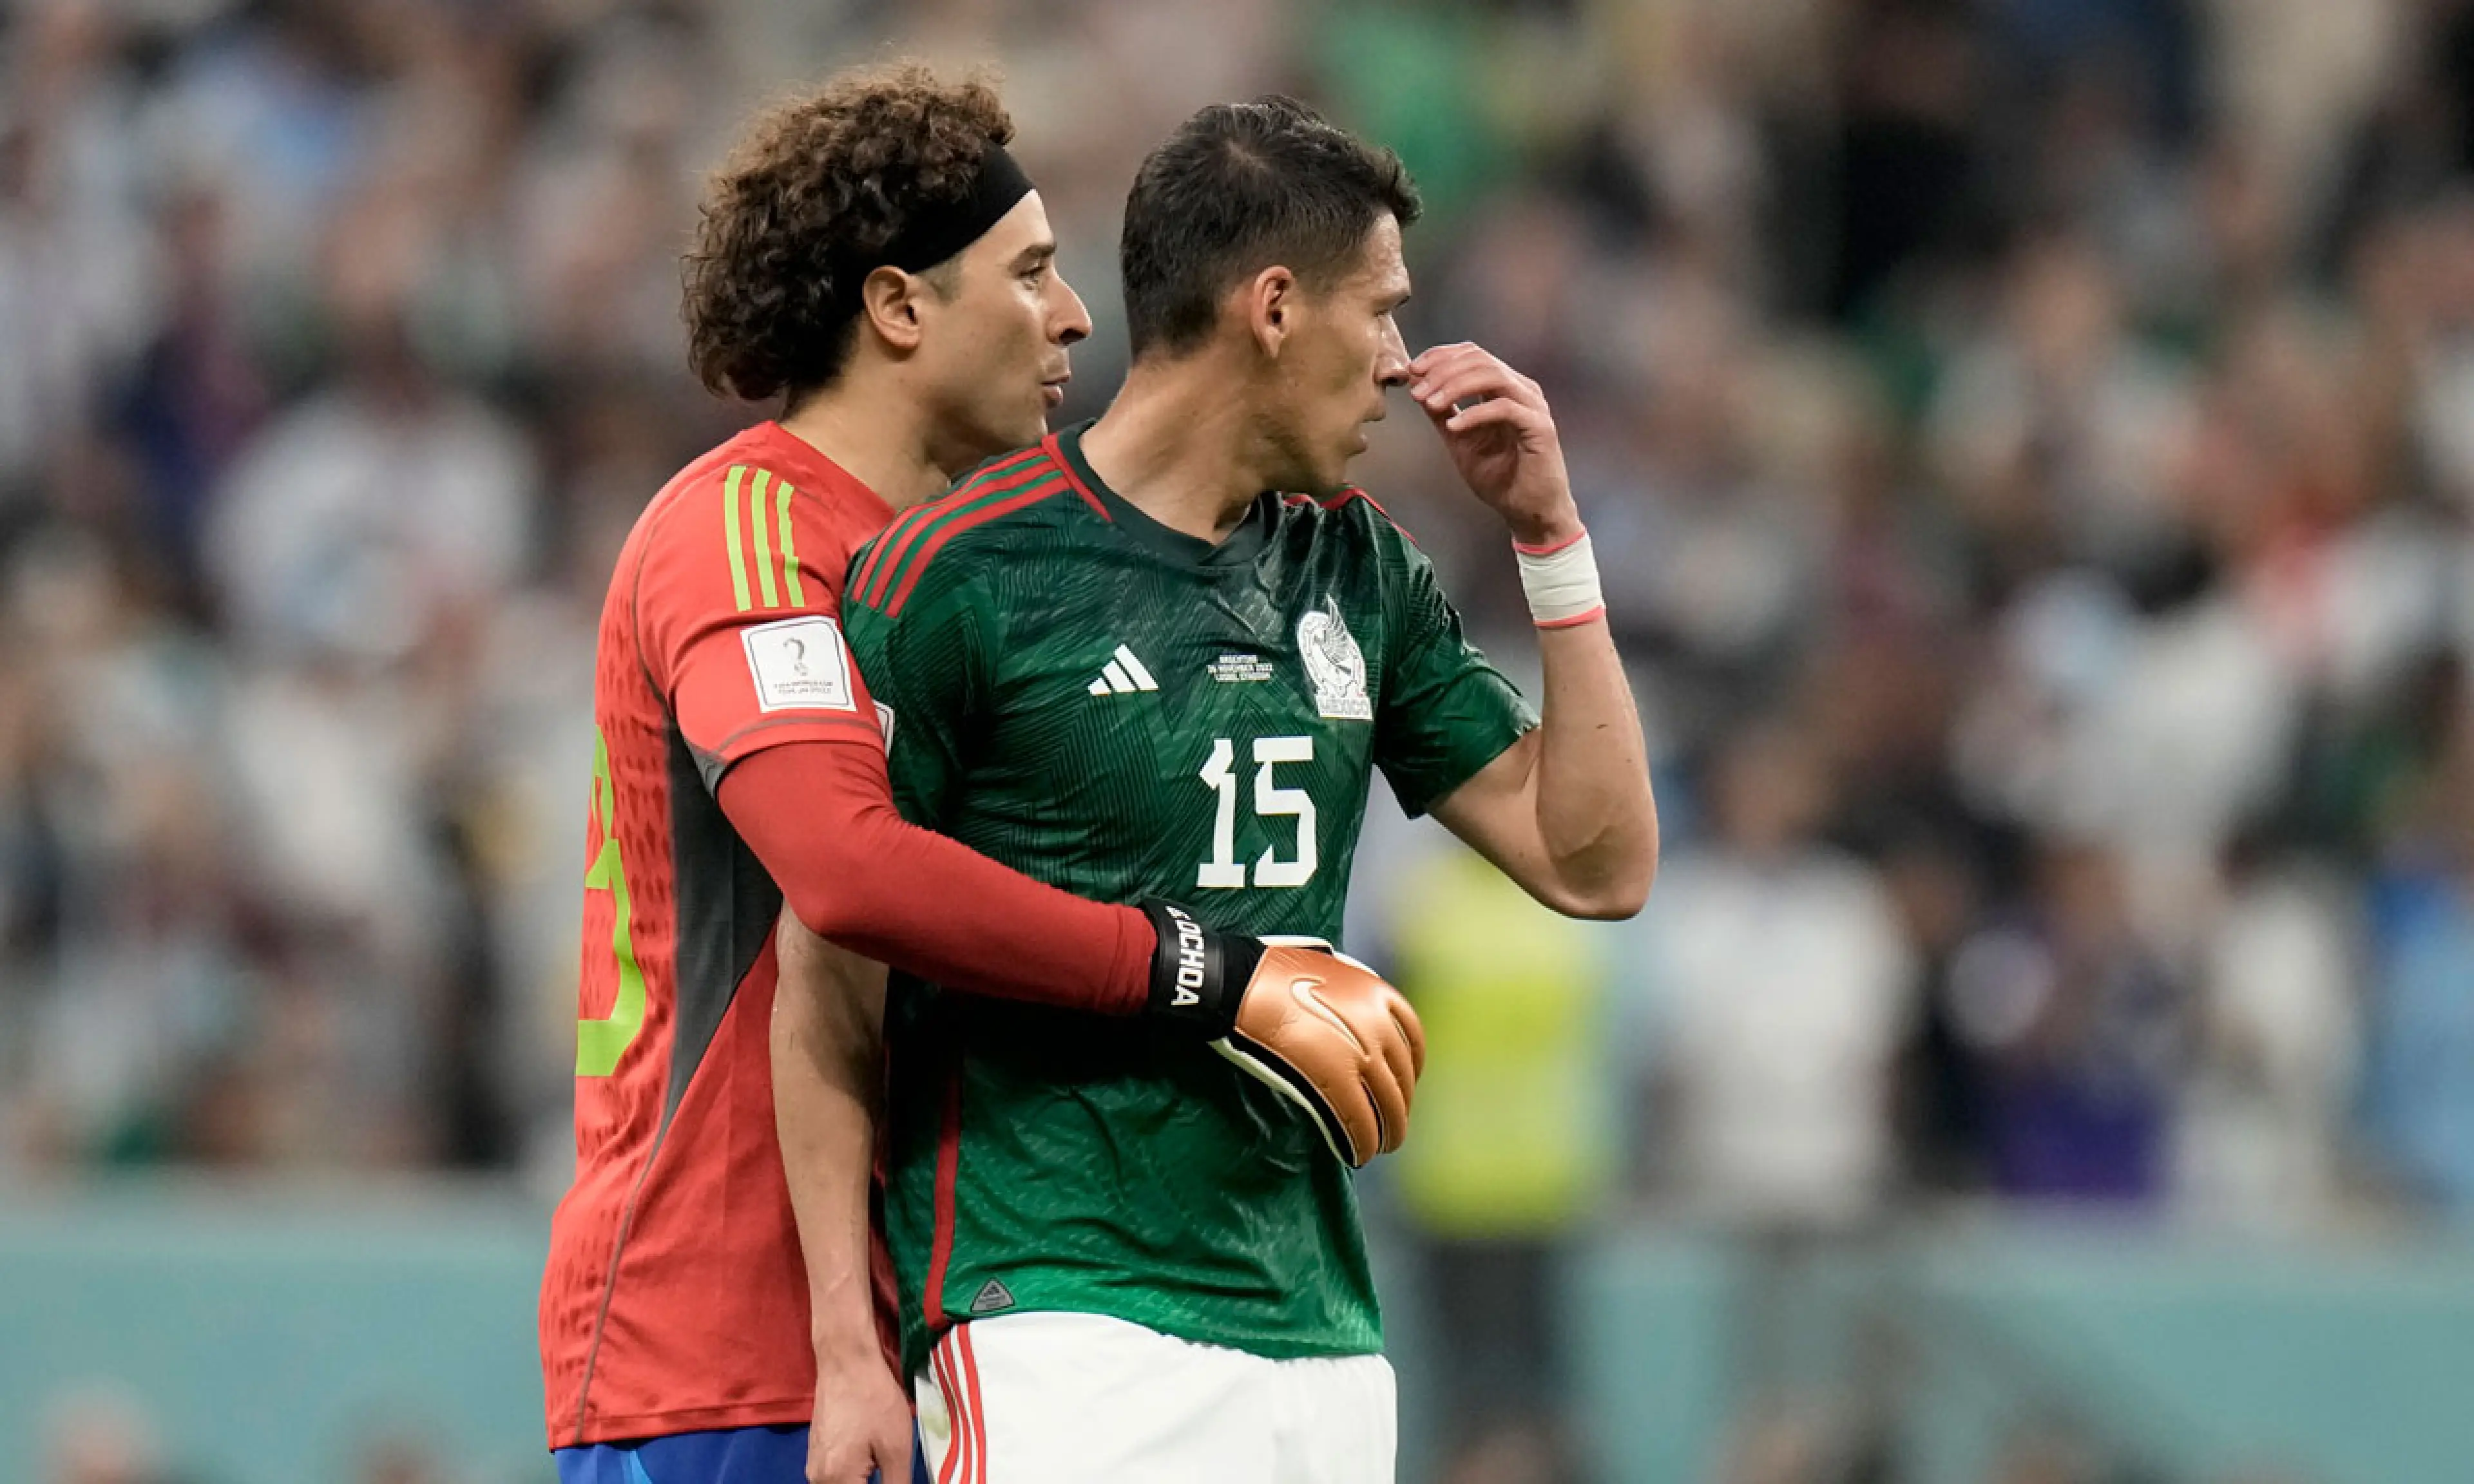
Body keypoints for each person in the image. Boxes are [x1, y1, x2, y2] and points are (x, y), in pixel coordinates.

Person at [537, 66, 1426, 1484]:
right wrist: (1208, 972)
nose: (1076, 316)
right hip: (722, 1343)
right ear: (899, 309)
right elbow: (844, 866)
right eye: (1028, 274)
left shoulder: (974, 573)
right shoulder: (746, 523)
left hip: (917, 1321)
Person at [782, 96, 1660, 1483]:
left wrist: (1551, 541)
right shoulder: (964, 573)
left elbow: (1596, 863)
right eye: (1377, 312)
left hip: (1318, 1333)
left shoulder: (1358, 571)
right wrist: (846, 1343)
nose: (1396, 362)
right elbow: (829, 975)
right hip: (1056, 1312)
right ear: (1271, 307)